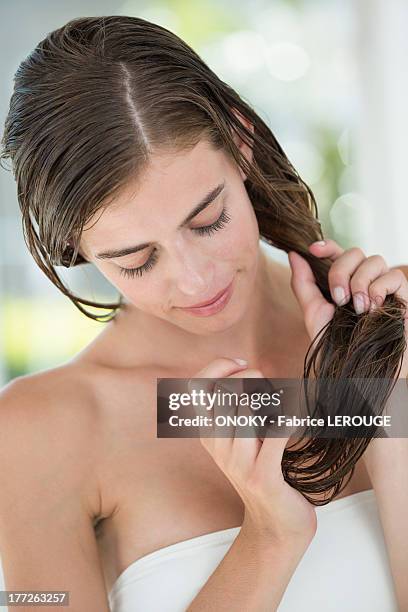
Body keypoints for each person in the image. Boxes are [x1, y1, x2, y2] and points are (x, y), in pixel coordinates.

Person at [0, 15, 407, 612]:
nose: (196, 281)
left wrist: (389, 416)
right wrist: (270, 538)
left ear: (241, 143)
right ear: (75, 249)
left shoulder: (393, 341)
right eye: (136, 260)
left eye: (208, 220)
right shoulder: (37, 433)